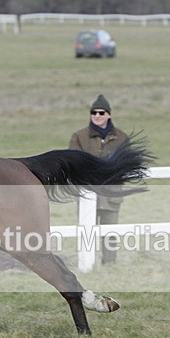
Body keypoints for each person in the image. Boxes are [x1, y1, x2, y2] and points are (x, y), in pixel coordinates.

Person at [68, 94, 129, 265]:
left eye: (101, 113)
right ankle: (87, 264)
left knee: (110, 232)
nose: (97, 116)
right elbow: (73, 163)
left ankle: (110, 265)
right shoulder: (79, 137)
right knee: (87, 231)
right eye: (93, 112)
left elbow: (127, 165)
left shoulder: (122, 138)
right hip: (87, 193)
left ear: (109, 114)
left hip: (112, 193)